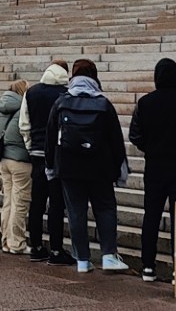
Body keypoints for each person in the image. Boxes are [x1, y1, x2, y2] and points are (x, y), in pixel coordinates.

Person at [48, 59, 128, 274]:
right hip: (100, 167)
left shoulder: (62, 102)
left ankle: (82, 259)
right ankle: (109, 255)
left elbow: (50, 137)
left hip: (69, 167)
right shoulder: (103, 103)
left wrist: (50, 166)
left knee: (76, 212)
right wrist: (121, 167)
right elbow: (116, 140)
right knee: (105, 208)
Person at [129, 58, 176, 282]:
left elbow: (135, 135)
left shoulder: (145, 102)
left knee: (151, 215)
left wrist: (150, 148)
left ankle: (148, 266)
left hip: (155, 166)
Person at [20, 62, 71, 265]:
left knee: (37, 202)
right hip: (58, 154)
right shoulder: (65, 94)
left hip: (37, 152)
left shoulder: (31, 92)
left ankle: (36, 246)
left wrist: (30, 145)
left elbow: (24, 123)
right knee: (56, 204)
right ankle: (56, 249)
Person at [0, 79, 34, 256]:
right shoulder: (23, 109)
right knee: (20, 203)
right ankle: (17, 242)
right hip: (20, 160)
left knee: (8, 202)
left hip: (4, 159)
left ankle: (5, 240)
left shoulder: (2, 108)